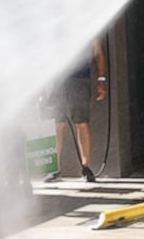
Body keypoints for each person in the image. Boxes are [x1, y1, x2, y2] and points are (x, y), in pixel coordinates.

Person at [41, 39, 107, 182]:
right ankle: (54, 169)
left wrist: (101, 80)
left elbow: (98, 51)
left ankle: (86, 168)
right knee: (56, 123)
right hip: (57, 79)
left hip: (79, 79)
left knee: (82, 121)